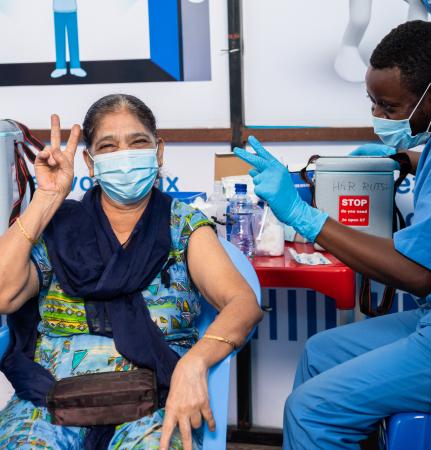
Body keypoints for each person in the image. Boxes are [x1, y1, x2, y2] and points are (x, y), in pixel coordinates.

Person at [0, 94, 263, 449]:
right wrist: (46, 198)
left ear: (158, 152)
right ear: (90, 163)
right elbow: (3, 294)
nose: (125, 155)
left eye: (138, 142)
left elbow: (242, 303)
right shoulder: (59, 226)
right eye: (108, 146)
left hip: (151, 403)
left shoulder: (182, 226)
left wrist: (195, 362)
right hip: (51, 401)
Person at [234, 20, 431, 449]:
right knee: (318, 353)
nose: (377, 118)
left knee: (308, 412)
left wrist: (304, 216)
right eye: (372, 103)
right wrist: (404, 158)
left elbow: (418, 274)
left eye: (389, 108)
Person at [51, 0, 87, 79]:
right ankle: (60, 67)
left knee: (73, 39)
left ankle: (75, 67)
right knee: (59, 40)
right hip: (58, 9)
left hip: (71, 9)